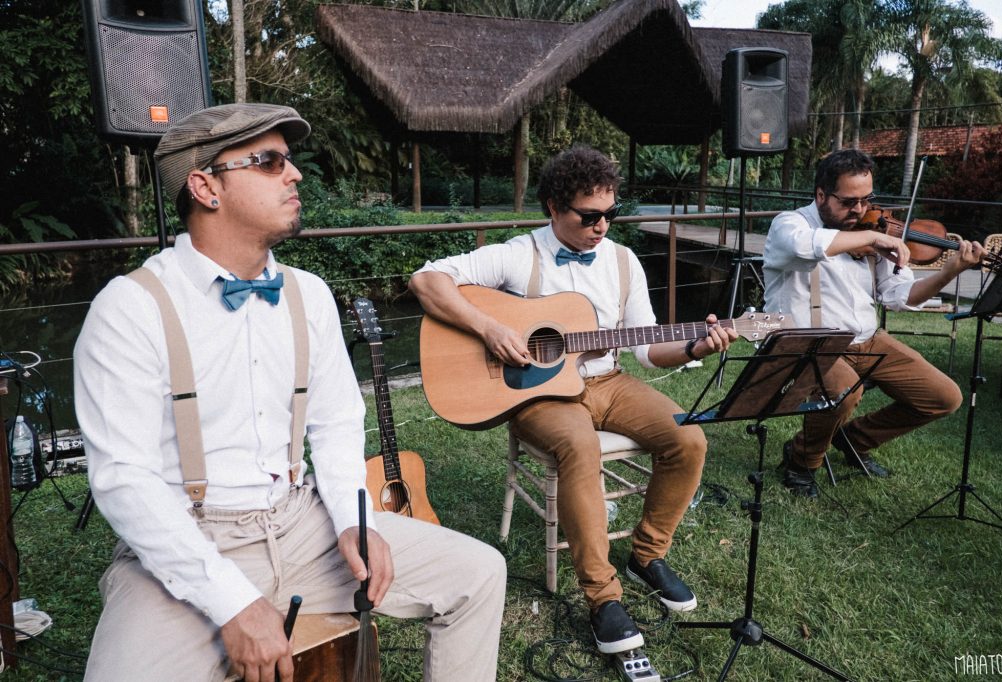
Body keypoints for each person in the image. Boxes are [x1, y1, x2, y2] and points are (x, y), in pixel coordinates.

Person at [74, 103, 506, 682]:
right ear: (205, 187)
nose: (295, 173)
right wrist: (230, 600)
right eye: (270, 161)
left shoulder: (309, 294)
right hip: (193, 536)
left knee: (478, 574)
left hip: (301, 521)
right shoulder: (129, 309)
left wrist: (358, 522)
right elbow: (124, 479)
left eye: (289, 159)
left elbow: (334, 423)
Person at [408, 146, 736, 655]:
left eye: (610, 213)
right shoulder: (519, 254)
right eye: (588, 216)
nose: (602, 226)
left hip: (607, 381)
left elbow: (647, 351)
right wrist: (491, 328)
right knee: (579, 449)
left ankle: (646, 556)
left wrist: (695, 344)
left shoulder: (624, 262)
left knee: (688, 437)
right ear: (552, 208)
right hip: (540, 396)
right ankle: (604, 598)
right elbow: (427, 280)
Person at [762, 148, 986, 498]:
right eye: (849, 202)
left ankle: (851, 440)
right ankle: (801, 460)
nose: (861, 211)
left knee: (943, 397)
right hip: (808, 339)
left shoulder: (871, 230)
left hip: (866, 337)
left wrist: (949, 271)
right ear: (821, 195)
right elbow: (807, 247)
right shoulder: (791, 224)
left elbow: (902, 295)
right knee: (844, 388)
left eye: (867, 200)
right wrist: (872, 237)